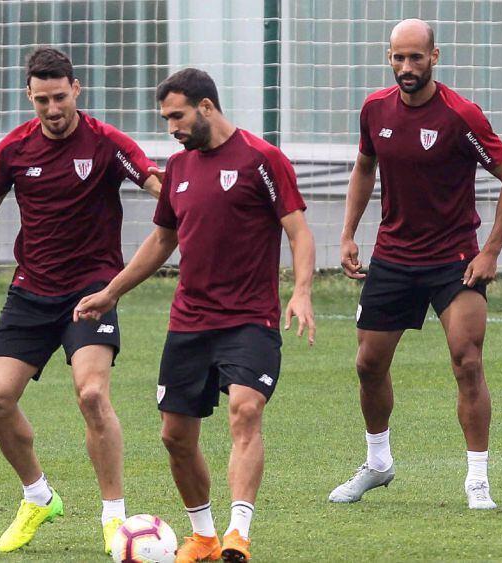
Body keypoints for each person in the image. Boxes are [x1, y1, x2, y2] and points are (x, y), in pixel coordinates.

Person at [0, 47, 161, 554]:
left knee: (92, 395)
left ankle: (114, 516)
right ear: (29, 95)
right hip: (31, 291)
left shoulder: (107, 143)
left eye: (60, 97)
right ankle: (38, 496)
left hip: (91, 290)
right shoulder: (13, 150)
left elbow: (159, 185)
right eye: (42, 99)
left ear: (77, 89)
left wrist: (199, 209)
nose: (52, 109)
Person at [76, 67, 316, 563]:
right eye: (166, 118)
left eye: (177, 116)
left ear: (206, 107)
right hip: (189, 322)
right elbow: (162, 240)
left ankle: (238, 535)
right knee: (175, 436)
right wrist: (111, 292)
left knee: (245, 411)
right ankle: (204, 535)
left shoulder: (262, 159)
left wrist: (302, 291)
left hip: (250, 319)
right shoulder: (180, 168)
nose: (172, 127)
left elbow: (298, 230)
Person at [328, 19, 502, 510]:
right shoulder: (375, 109)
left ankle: (477, 478)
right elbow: (364, 166)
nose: (406, 67)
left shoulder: (461, 116)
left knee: (467, 361)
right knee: (368, 365)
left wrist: (491, 251)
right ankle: (378, 463)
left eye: (416, 57)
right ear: (389, 57)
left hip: (455, 261)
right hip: (394, 257)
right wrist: (349, 233)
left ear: (435, 57)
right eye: (398, 57)